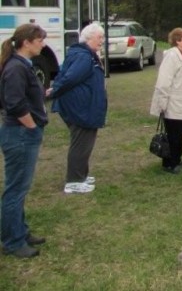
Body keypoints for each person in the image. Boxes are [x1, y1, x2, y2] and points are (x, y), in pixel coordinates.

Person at [0, 24, 48, 258]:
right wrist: (31, 126)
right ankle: (13, 241)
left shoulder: (22, 66)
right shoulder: (16, 68)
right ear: (26, 42)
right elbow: (15, 103)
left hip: (22, 133)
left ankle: (20, 230)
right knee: (15, 189)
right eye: (39, 39)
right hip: (19, 134)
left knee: (20, 187)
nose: (43, 44)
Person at [50, 23, 107, 194]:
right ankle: (74, 181)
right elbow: (69, 78)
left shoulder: (85, 54)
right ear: (88, 38)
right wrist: (54, 91)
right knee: (81, 143)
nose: (102, 41)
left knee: (85, 142)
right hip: (80, 108)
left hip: (84, 107)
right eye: (99, 38)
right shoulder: (83, 57)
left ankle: (81, 174)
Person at [150, 28, 182, 174]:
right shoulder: (172, 56)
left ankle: (177, 158)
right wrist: (162, 104)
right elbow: (164, 82)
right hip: (173, 104)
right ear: (177, 41)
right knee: (173, 135)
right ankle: (169, 163)